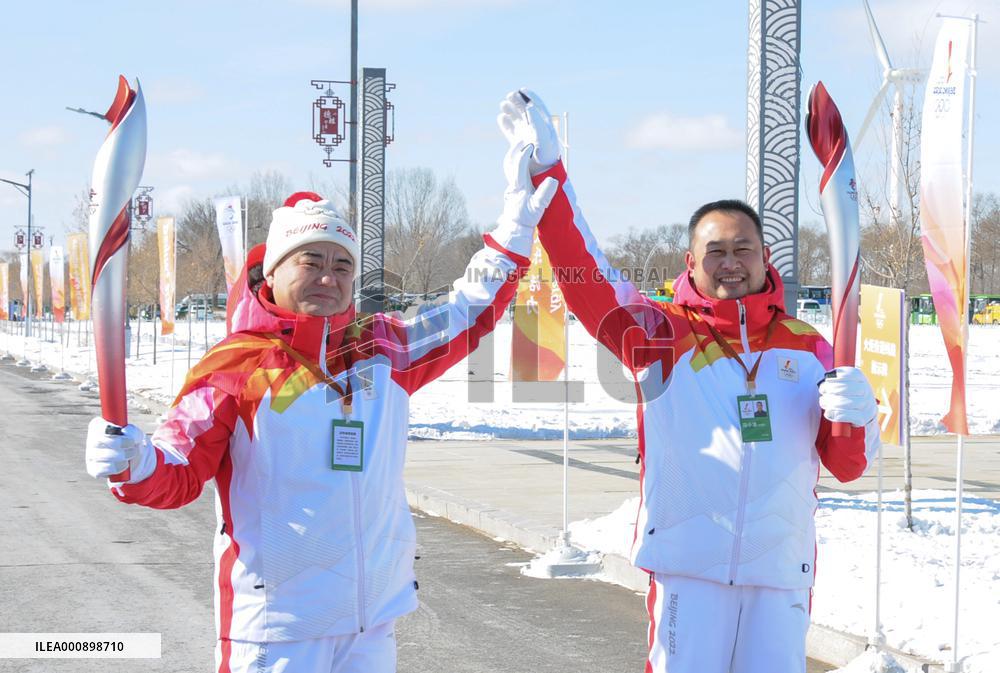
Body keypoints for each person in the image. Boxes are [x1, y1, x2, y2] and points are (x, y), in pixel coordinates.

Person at [84, 142, 558, 673]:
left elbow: (470, 310)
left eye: (342, 265)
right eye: (311, 262)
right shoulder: (237, 367)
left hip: (370, 622)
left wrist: (516, 225)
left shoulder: (383, 349)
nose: (329, 278)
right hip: (278, 628)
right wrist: (135, 462)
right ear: (273, 272)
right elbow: (178, 466)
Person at [497, 89, 879, 673]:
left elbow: (848, 465)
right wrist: (553, 176)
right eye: (715, 250)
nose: (730, 261)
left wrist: (860, 415)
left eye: (743, 248)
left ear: (765, 255)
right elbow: (585, 277)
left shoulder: (811, 347)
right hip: (688, 572)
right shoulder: (660, 334)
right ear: (690, 260)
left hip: (780, 573)